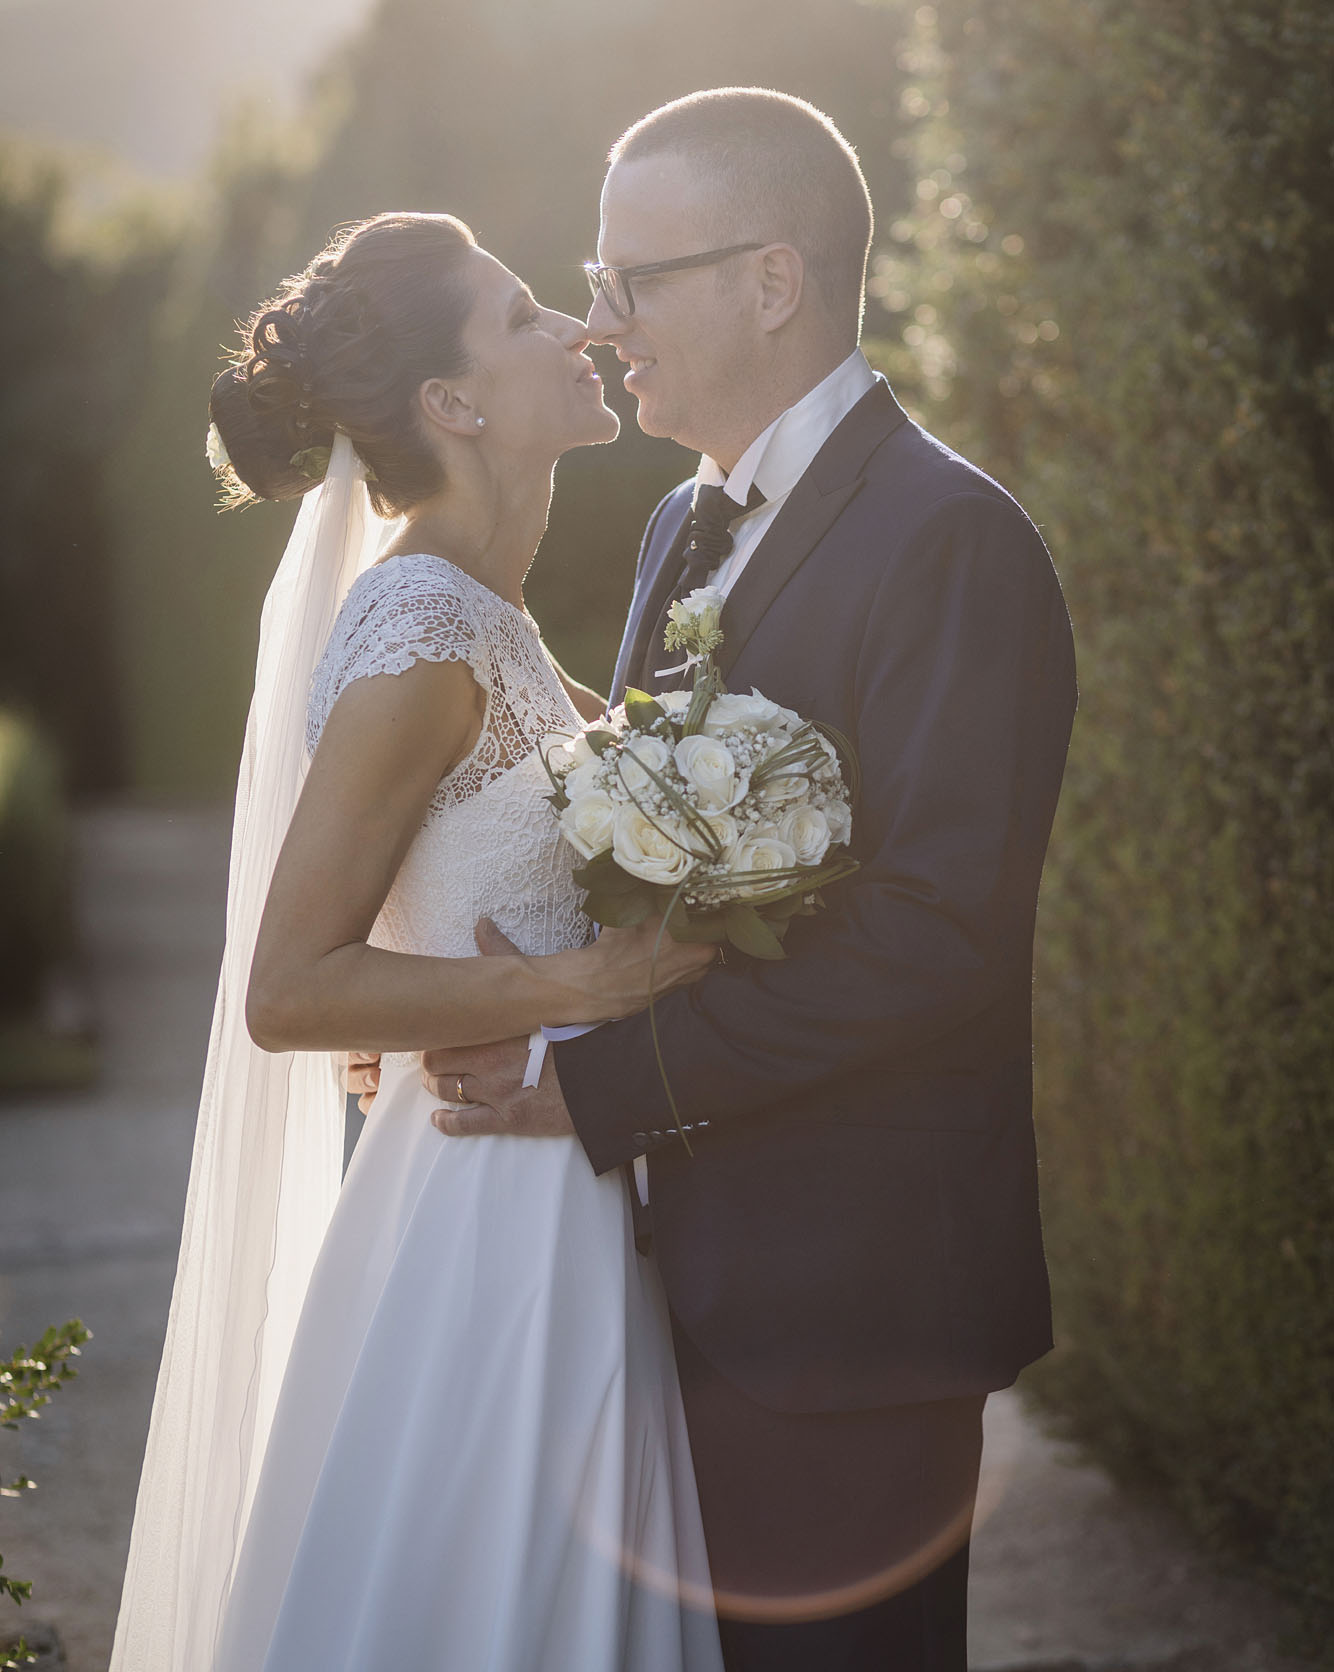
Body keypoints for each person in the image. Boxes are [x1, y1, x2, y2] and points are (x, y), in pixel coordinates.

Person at [371, 89, 1079, 1672]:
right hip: (652, 1288)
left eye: (635, 280)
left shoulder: (949, 540)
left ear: (771, 281)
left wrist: (593, 1082)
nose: (601, 323)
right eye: (592, 280)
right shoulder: (682, 529)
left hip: (846, 1298)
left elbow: (932, 943)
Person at [110, 211, 724, 1672]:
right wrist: (567, 982)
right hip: (487, 1208)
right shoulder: (421, 635)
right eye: (524, 316)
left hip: (552, 1167)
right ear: (452, 404)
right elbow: (288, 987)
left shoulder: (491, 619)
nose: (577, 331)